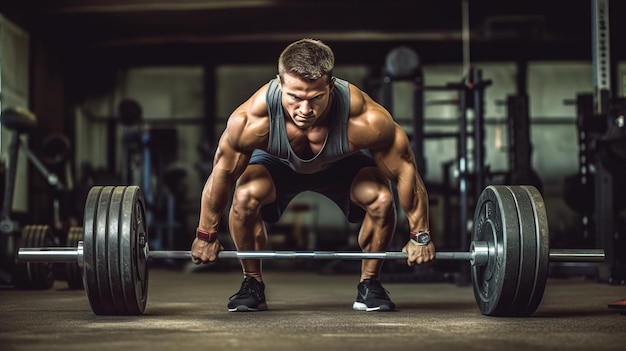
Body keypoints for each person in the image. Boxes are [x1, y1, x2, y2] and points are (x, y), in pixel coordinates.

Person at [190, 38, 434, 312]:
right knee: (245, 195)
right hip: (278, 163)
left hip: (342, 164)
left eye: (316, 98)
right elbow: (222, 173)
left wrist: (420, 235)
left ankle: (369, 284)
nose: (305, 110)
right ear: (280, 83)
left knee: (381, 199)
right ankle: (252, 283)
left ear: (330, 85)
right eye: (295, 97)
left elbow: (405, 173)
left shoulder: (367, 120)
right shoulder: (250, 120)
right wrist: (206, 235)